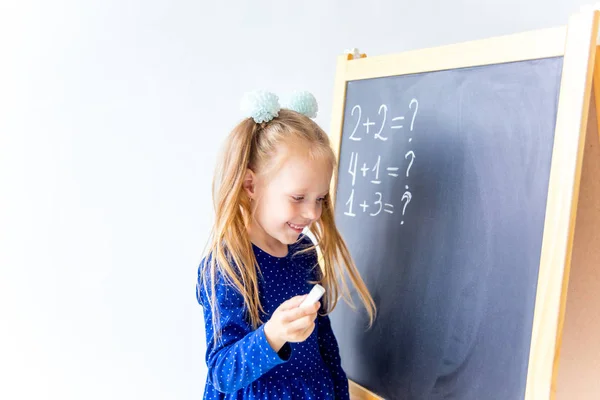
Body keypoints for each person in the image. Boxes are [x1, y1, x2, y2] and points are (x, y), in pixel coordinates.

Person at [196, 90, 376, 399]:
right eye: (298, 198)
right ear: (251, 185)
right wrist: (273, 334)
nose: (313, 213)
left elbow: (324, 343)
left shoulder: (304, 253)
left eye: (320, 199)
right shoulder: (227, 265)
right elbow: (222, 372)